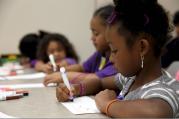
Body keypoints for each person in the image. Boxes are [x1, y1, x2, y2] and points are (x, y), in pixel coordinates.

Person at [56, 0, 179, 118]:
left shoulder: (162, 90)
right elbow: (100, 83)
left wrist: (107, 104)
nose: (110, 58)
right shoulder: (130, 79)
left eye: (114, 50)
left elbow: (156, 113)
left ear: (142, 47)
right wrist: (76, 89)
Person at [43, 5, 117, 86]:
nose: (92, 38)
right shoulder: (100, 54)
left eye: (96, 33)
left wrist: (64, 76)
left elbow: (97, 79)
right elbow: (82, 67)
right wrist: (60, 70)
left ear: (111, 32)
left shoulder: (117, 59)